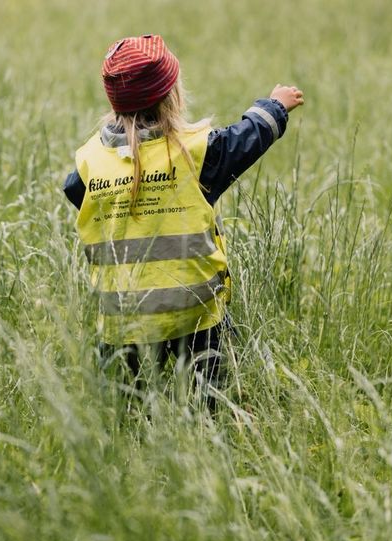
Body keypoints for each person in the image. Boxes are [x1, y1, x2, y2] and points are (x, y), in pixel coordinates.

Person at [63, 34, 304, 407]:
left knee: (130, 413)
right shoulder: (195, 153)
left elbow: (74, 191)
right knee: (205, 410)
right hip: (195, 317)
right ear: (171, 95)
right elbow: (246, 138)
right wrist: (275, 106)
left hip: (124, 323)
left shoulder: (91, 162)